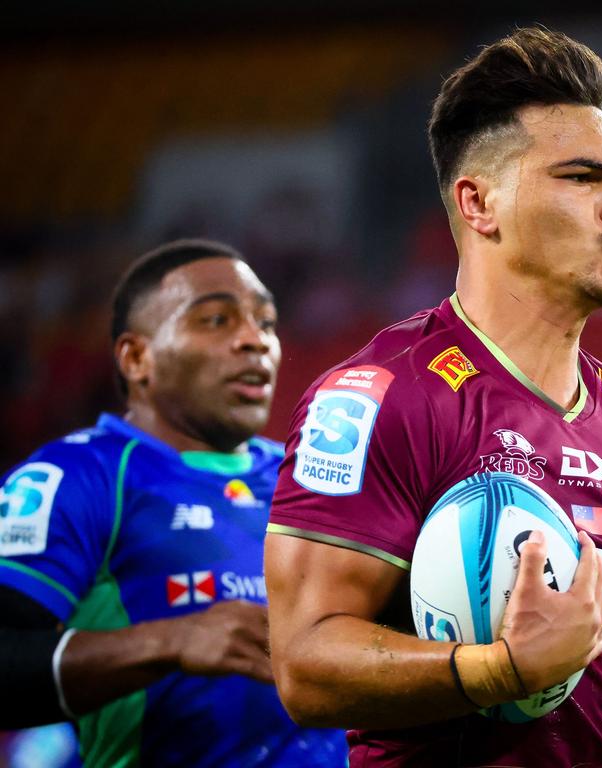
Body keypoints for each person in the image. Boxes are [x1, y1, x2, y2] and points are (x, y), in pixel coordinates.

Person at [266, 27, 602, 767]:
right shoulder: (380, 398)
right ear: (479, 203)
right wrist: (502, 671)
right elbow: (306, 665)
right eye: (581, 177)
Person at [0, 240, 348, 767]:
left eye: (267, 323)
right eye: (215, 321)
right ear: (137, 358)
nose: (255, 341)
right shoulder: (80, 478)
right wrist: (169, 641)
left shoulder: (316, 482)